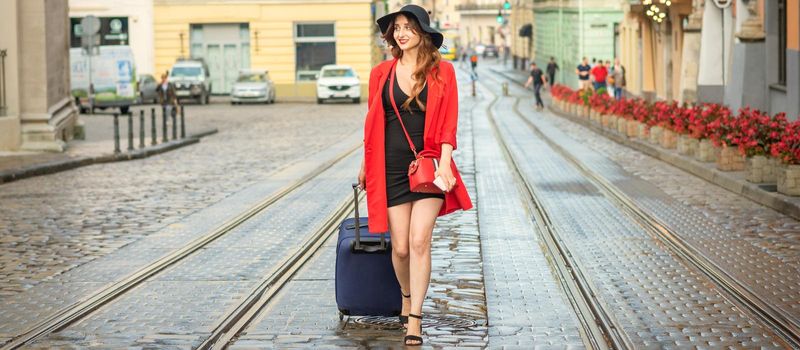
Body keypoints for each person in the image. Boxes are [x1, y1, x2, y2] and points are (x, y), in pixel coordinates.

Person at [359, 4, 473, 346]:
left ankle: (416, 318)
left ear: (422, 32)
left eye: (408, 27)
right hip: (390, 168)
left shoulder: (443, 72)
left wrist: (444, 162)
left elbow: (449, 123)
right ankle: (406, 295)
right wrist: (365, 165)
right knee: (402, 248)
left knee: (420, 240)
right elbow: (372, 121)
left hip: (428, 167)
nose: (401, 33)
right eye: (397, 28)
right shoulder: (381, 73)